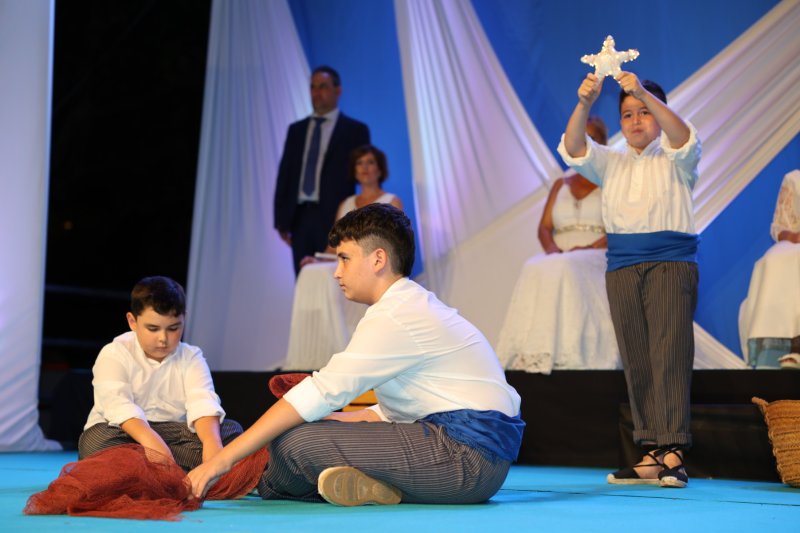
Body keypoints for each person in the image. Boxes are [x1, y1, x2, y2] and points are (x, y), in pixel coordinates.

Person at [188, 204, 525, 506]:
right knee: (301, 432)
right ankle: (373, 487)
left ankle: (253, 479)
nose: (336, 272)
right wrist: (337, 422)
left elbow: (321, 392)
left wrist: (223, 460)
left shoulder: (394, 315)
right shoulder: (410, 305)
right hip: (474, 461)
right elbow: (401, 406)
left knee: (294, 444)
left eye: (344, 258)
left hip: (465, 462)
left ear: (378, 259)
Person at [558, 71, 701, 488]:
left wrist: (641, 92)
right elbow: (572, 146)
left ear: (659, 115)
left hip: (670, 262)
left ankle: (674, 450)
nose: (636, 120)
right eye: (627, 114)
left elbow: (682, 132)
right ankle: (652, 450)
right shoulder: (612, 161)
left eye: (644, 112)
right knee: (637, 356)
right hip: (622, 265)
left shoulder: (677, 155)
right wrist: (584, 102)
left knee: (669, 352)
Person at [78, 276, 242, 472]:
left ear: (183, 320)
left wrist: (212, 447)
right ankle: (172, 470)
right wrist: (150, 442)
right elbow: (117, 404)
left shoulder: (191, 356)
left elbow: (202, 401)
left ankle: (147, 471)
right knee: (95, 441)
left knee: (230, 432)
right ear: (132, 321)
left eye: (173, 328)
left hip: (174, 433)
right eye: (153, 329)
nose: (163, 339)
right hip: (126, 432)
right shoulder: (114, 353)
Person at [496, 117, 620, 373]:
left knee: (566, 267)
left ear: (603, 144)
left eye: (592, 138)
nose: (585, 143)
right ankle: (533, 352)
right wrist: (552, 249)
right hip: (560, 254)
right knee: (534, 266)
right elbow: (544, 227)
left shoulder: (611, 181)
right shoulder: (560, 184)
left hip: (597, 252)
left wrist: (589, 248)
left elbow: (619, 226)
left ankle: (573, 350)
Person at [284, 145, 404, 370]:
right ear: (355, 171)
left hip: (378, 265)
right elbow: (335, 247)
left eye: (370, 163)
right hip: (350, 263)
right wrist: (317, 260)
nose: (365, 168)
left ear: (379, 169)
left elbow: (397, 242)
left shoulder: (391, 201)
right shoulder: (346, 204)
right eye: (360, 164)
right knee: (311, 272)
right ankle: (319, 351)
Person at [274, 65, 371, 275]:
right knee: (304, 281)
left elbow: (361, 174)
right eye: (313, 87)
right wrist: (280, 220)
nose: (317, 93)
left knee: (337, 278)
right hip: (299, 217)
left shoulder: (355, 130)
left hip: (334, 216)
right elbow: (286, 174)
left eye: (323, 87)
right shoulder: (296, 130)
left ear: (338, 90)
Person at [739, 169, 800, 369]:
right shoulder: (794, 178)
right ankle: (788, 345)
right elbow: (780, 226)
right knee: (776, 258)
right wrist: (792, 236)